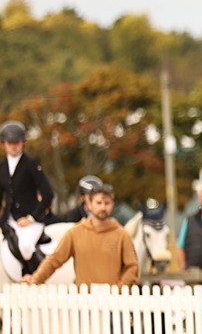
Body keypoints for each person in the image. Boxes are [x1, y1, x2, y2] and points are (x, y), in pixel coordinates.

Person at [22, 180, 138, 287]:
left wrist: (119, 289)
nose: (103, 207)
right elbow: (55, 260)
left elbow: (132, 267)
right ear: (89, 204)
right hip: (83, 302)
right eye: (99, 202)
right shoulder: (75, 232)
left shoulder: (122, 235)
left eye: (107, 203)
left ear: (112, 205)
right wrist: (36, 279)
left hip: (113, 303)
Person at [0, 120, 56, 275]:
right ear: (4, 143)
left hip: (30, 220)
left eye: (17, 142)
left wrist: (31, 218)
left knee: (25, 246)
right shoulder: (2, 167)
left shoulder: (31, 164)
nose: (13, 146)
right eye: (10, 143)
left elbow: (48, 194)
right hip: (9, 219)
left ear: (23, 143)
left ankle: (35, 275)